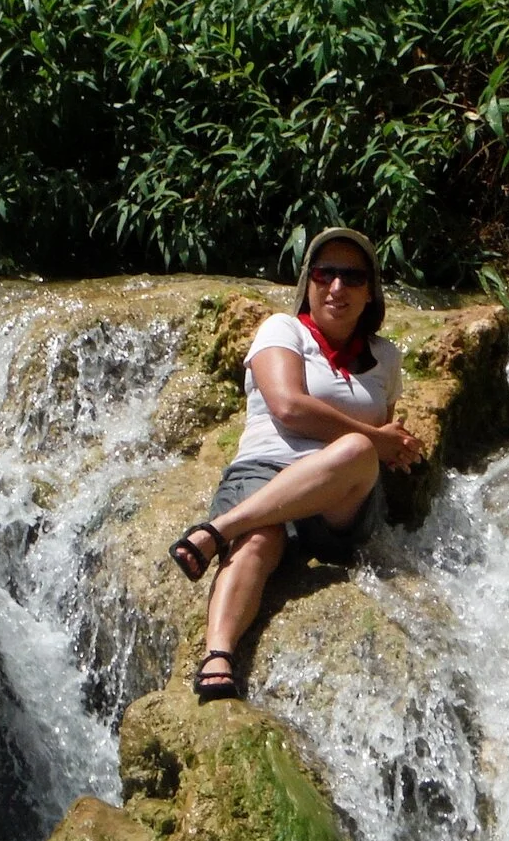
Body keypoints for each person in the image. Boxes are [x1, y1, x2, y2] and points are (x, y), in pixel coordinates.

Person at [168, 228, 424, 701]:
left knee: (355, 451)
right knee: (259, 539)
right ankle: (219, 655)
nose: (337, 288)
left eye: (352, 277)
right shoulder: (282, 330)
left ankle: (216, 529)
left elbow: (380, 441)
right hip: (265, 471)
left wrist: (393, 445)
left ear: (371, 292)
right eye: (326, 274)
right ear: (308, 282)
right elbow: (288, 406)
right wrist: (378, 440)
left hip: (338, 502)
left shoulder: (386, 357)